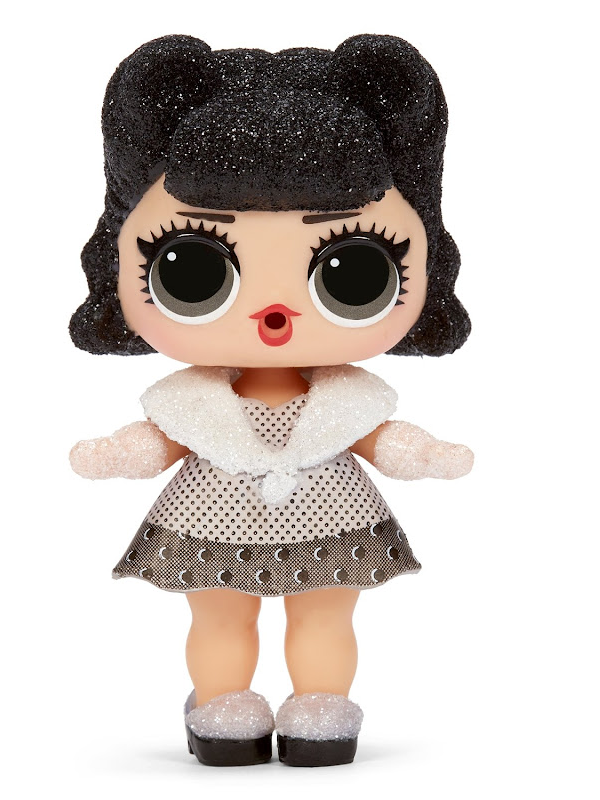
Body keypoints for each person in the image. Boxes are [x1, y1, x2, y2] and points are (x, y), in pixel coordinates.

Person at [69, 33, 472, 767]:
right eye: (193, 270)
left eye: (353, 272)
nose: (276, 313)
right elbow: (163, 437)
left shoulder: (347, 398)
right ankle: (224, 707)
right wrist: (121, 452)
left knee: (325, 617)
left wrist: (424, 454)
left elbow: (378, 436)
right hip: (211, 521)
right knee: (221, 619)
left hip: (331, 519)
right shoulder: (192, 400)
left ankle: (322, 710)